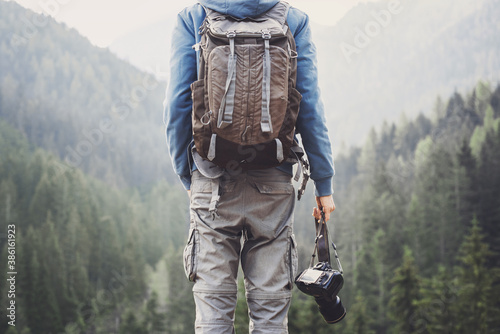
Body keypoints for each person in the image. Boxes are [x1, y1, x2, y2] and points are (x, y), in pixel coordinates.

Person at [163, 0, 335, 332]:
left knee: (213, 311)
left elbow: (178, 103)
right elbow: (310, 106)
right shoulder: (293, 20)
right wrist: (323, 184)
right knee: (270, 314)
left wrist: (187, 173)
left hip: (211, 180)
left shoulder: (193, 18)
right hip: (273, 182)